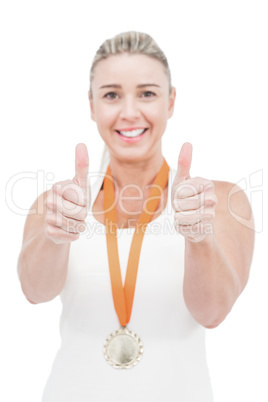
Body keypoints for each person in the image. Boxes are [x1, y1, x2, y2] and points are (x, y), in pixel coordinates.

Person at [17, 31, 255, 401]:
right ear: (92, 105)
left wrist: (199, 237)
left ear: (171, 101)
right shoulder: (58, 204)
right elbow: (35, 292)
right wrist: (55, 237)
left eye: (147, 93)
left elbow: (212, 312)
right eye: (111, 94)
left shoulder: (219, 201)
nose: (129, 112)